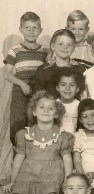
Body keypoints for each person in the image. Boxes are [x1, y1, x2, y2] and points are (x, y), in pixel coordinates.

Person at [2, 91, 74, 194]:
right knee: (17, 193)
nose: (46, 110)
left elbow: (67, 159)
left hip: (52, 173)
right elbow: (19, 159)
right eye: (42, 107)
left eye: (51, 108)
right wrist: (13, 181)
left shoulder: (62, 135)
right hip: (28, 172)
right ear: (34, 111)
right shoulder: (25, 134)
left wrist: (68, 182)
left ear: (57, 114)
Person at [4, 12, 49, 145]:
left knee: (36, 122)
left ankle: (33, 154)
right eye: (27, 28)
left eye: (34, 28)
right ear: (20, 29)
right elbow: (7, 74)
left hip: (38, 92)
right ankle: (17, 153)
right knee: (18, 122)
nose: (31, 31)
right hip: (20, 92)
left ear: (40, 30)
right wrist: (21, 84)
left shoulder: (45, 51)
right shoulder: (15, 50)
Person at [34, 29, 85, 100]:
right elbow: (38, 97)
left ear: (73, 48)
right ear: (53, 46)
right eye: (61, 44)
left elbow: (83, 95)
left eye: (69, 45)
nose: (65, 47)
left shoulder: (80, 69)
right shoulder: (43, 70)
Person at [56, 67, 84, 134]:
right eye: (63, 84)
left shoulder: (80, 106)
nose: (67, 88)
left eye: (72, 85)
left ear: (77, 89)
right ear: (57, 88)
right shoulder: (53, 105)